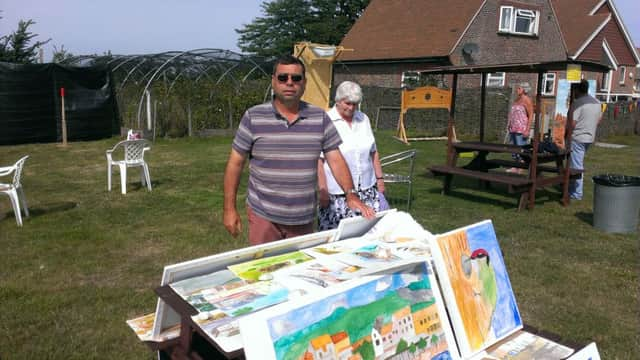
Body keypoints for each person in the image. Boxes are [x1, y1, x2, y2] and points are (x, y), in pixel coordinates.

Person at [223, 55, 374, 245]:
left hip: (303, 218)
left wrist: (350, 194)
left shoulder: (319, 118)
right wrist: (229, 209)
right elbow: (235, 163)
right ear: (273, 81)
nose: (289, 83)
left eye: (296, 78)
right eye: (282, 77)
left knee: (298, 271)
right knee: (265, 272)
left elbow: (335, 158)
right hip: (264, 215)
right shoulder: (253, 117)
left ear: (304, 83)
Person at [317, 81, 386, 230]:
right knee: (337, 238)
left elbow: (373, 151)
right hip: (337, 194)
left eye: (355, 104)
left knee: (370, 233)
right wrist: (322, 189)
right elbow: (319, 160)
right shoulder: (325, 121)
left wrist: (380, 179)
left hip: (367, 189)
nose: (352, 108)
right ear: (338, 100)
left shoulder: (363, 119)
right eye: (348, 103)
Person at [568, 79, 601, 200]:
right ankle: (570, 187)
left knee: (576, 165)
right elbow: (599, 119)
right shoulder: (596, 102)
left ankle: (577, 193)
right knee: (577, 163)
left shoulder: (578, 103)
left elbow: (573, 123)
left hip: (577, 137)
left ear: (577, 90)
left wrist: (567, 135)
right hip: (589, 136)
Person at [506, 82, 534, 173]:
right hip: (513, 128)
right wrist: (509, 123)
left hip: (521, 129)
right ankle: (515, 166)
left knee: (521, 149)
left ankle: (521, 168)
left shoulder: (527, 100)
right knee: (514, 149)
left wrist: (527, 129)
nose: (517, 90)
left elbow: (530, 115)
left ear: (524, 90)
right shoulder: (517, 99)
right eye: (518, 88)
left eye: (519, 88)